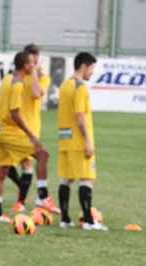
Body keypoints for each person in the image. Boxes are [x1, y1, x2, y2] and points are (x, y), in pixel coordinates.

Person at [0, 50, 49, 223]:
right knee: (42, 154)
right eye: (33, 62)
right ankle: (42, 196)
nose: (35, 65)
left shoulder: (7, 78)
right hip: (8, 132)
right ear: (26, 65)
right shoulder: (17, 84)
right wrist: (31, 136)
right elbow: (15, 114)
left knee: (1, 171)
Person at [57, 52, 107, 230]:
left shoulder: (65, 85)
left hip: (64, 138)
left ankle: (65, 219)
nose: (92, 72)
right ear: (83, 66)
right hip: (78, 141)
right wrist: (88, 141)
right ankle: (88, 221)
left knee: (67, 179)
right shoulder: (81, 87)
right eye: (92, 68)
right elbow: (79, 115)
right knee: (87, 178)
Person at [9, 44, 60, 214]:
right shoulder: (17, 77)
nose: (33, 62)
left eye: (35, 58)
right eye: (30, 59)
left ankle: (21, 201)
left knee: (27, 163)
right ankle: (33, 195)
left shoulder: (42, 78)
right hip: (12, 127)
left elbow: (37, 93)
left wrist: (36, 74)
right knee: (7, 167)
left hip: (31, 127)